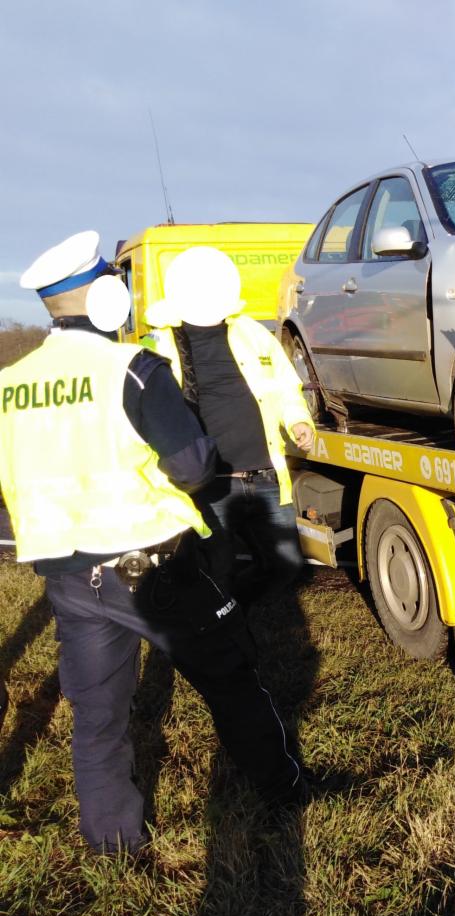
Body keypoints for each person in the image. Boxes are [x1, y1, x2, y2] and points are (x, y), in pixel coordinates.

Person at [0, 231, 306, 854]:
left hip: (67, 577)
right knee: (230, 677)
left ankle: (114, 843)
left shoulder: (11, 384)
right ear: (105, 297)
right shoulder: (132, 370)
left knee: (98, 717)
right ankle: (283, 792)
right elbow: (192, 467)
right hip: (151, 567)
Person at [143, 247, 315, 604]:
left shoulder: (252, 333)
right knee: (215, 570)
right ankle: (222, 622)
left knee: (285, 564)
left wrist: (298, 420)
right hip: (209, 484)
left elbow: (285, 386)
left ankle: (234, 611)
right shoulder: (156, 344)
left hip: (265, 477)